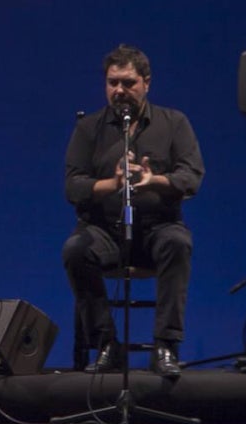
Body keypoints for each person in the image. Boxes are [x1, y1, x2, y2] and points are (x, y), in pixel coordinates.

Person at [61, 44, 204, 379]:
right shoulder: (89, 128)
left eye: (128, 83)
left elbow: (191, 177)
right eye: (113, 83)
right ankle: (106, 344)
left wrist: (154, 181)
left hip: (158, 228)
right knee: (75, 251)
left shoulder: (174, 123)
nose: (119, 91)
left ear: (146, 83)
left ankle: (165, 346)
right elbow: (73, 186)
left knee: (178, 243)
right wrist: (112, 184)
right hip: (104, 230)